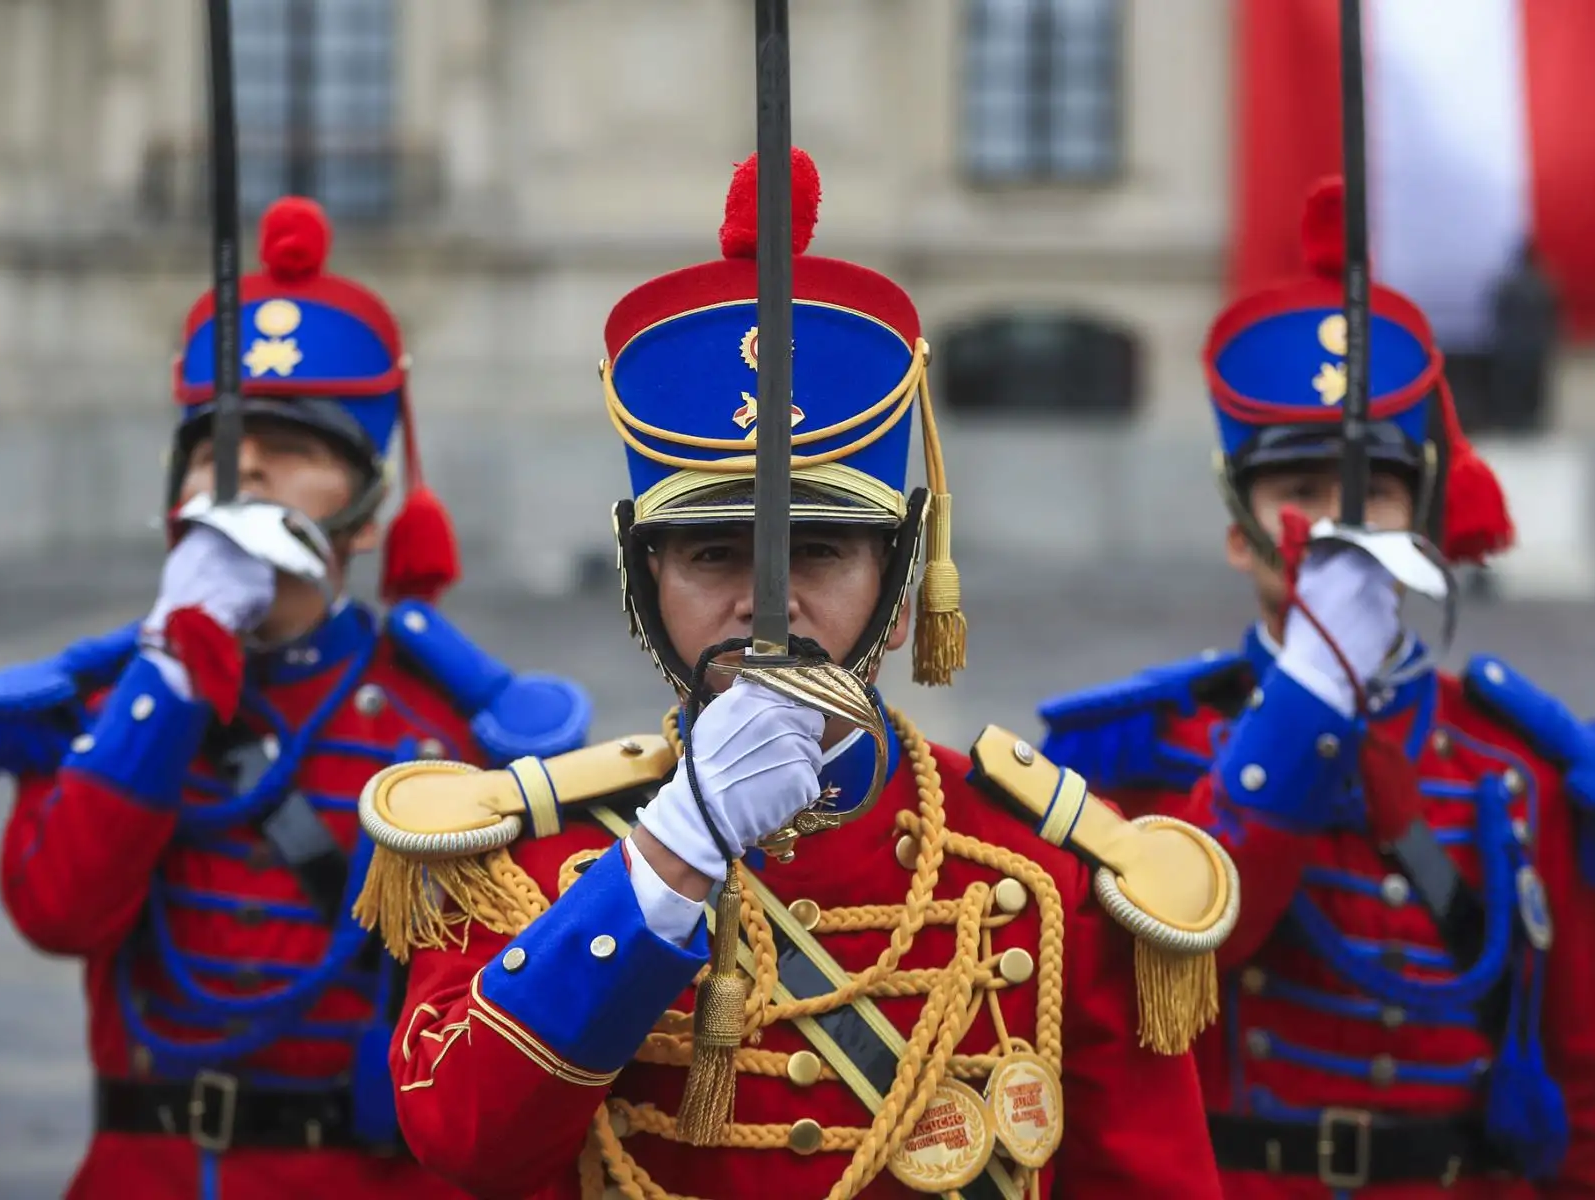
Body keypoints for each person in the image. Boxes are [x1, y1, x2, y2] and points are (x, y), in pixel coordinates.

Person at [352, 150, 1234, 1200]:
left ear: (900, 589)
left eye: (816, 553)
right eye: (713, 555)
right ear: (645, 586)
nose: (765, 608)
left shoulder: (1042, 874)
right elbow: (464, 1138)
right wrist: (669, 858)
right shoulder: (532, 863)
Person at [0, 197, 591, 1199]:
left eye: (293, 443)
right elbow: (58, 913)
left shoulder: (450, 727)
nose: (245, 464)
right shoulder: (108, 704)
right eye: (214, 447)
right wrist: (170, 674)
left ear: (368, 515)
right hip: (155, 1171)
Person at [1038, 179, 1595, 1198]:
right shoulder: (1140, 752)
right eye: (1302, 493)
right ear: (1240, 534)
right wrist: (1309, 701)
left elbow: (1589, 1094)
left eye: (1375, 491)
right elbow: (1162, 981)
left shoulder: (1517, 763)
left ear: (1423, 520)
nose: (1341, 524)